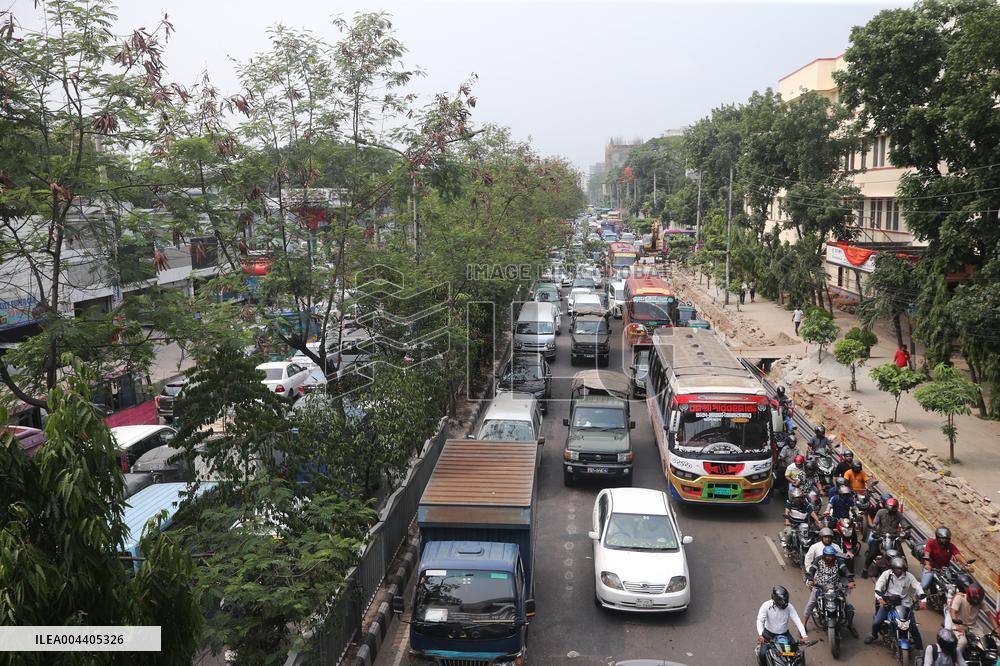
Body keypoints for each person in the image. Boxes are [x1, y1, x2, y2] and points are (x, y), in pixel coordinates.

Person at [865, 556, 926, 651]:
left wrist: (923, 600)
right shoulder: (887, 574)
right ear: (893, 568)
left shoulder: (909, 576)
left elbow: (918, 587)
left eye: (901, 568)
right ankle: (874, 635)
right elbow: (878, 586)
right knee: (876, 622)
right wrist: (880, 599)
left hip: (905, 604)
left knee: (913, 626)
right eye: (897, 568)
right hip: (889, 602)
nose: (900, 570)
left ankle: (921, 650)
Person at [804, 545, 857, 634]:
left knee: (848, 607)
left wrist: (851, 581)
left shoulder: (838, 561)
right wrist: (810, 580)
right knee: (811, 604)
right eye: (828, 556)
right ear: (824, 555)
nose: (830, 558)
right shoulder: (818, 560)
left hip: (835, 586)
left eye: (832, 556)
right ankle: (803, 625)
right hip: (820, 586)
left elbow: (845, 570)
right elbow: (812, 570)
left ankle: (850, 625)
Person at [756, 585, 809, 666]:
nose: (784, 602)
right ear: (775, 599)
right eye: (781, 600)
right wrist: (761, 635)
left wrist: (804, 636)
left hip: (785, 634)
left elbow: (797, 620)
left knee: (797, 653)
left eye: (785, 600)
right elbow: (760, 621)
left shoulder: (789, 607)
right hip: (769, 635)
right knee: (762, 653)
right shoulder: (766, 606)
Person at [863, 498, 903, 576]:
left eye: (893, 509)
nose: (891, 511)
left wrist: (907, 530)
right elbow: (875, 522)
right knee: (873, 552)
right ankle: (865, 569)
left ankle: (903, 571)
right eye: (889, 509)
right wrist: (874, 526)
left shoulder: (899, 515)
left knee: (901, 555)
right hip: (881, 536)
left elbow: (904, 524)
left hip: (894, 538)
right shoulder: (880, 512)